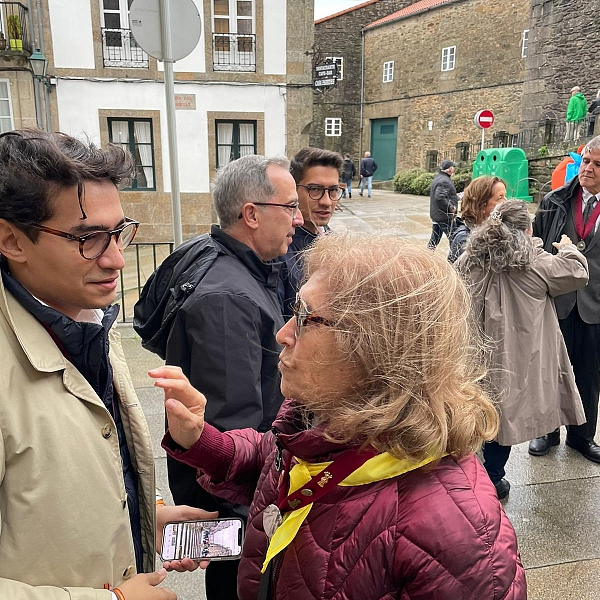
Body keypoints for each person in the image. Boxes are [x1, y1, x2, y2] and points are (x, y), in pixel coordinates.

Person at [152, 234, 527, 600]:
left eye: (304, 318)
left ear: (373, 346)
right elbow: (271, 460)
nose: (282, 334)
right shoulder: (318, 421)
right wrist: (200, 439)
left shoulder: (458, 531)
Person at [0, 129, 211, 600]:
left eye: (118, 232)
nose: (116, 258)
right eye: (87, 238)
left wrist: (143, 511)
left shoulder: (82, 315)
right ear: (10, 240)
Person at [152, 154, 302, 600]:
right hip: (238, 517)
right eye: (290, 206)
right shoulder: (228, 298)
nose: (298, 218)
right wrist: (255, 525)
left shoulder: (246, 269)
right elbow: (231, 422)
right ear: (252, 214)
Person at [456, 200, 588, 500]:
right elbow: (578, 272)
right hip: (517, 357)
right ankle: (492, 478)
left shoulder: (470, 259)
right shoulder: (536, 264)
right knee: (503, 415)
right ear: (525, 230)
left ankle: (472, 476)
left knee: (477, 412)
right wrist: (567, 247)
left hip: (475, 352)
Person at [529, 135, 600, 463]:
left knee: (589, 373)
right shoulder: (554, 200)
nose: (588, 168)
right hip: (556, 302)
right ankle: (547, 431)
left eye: (598, 165)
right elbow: (534, 246)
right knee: (551, 369)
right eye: (586, 161)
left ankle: (582, 436)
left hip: (595, 305)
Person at [279, 147, 342, 318]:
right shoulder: (280, 252)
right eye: (315, 189)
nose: (326, 202)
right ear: (294, 190)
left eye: (333, 190)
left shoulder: (336, 242)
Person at [448, 175, 506, 263]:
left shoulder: (494, 229)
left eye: (505, 196)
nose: (506, 201)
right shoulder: (465, 240)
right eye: (500, 198)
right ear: (482, 206)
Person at [427, 159, 459, 250]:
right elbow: (440, 197)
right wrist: (451, 207)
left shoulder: (439, 177)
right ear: (449, 169)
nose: (454, 169)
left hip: (437, 215)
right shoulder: (444, 181)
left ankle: (426, 256)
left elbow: (442, 195)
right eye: (453, 167)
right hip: (444, 216)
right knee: (454, 238)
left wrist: (455, 197)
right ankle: (454, 258)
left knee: (435, 239)